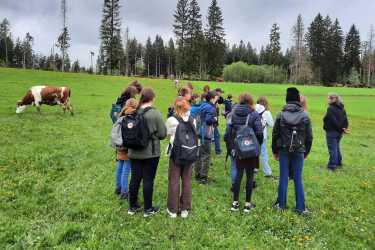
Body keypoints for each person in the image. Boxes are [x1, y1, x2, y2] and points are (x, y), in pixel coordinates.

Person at [272, 87, 313, 215]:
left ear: (287, 99)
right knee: (298, 178)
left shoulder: (280, 115)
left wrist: (275, 151)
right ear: (297, 100)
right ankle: (301, 208)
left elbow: (275, 135)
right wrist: (306, 152)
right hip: (299, 150)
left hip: (284, 150)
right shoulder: (305, 115)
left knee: (283, 177)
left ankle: (281, 205)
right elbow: (309, 137)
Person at [128, 88, 167, 217]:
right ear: (152, 98)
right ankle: (148, 209)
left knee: (134, 179)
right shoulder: (155, 114)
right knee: (148, 180)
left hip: (133, 150)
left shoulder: (133, 111)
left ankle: (132, 207)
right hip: (150, 152)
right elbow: (162, 134)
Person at [227, 93, 263, 213]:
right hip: (251, 149)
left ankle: (235, 203)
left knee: (238, 175)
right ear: (251, 101)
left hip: (238, 148)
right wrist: (257, 146)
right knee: (250, 176)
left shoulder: (233, 114)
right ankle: (247, 204)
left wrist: (233, 146)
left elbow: (229, 133)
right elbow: (259, 133)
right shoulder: (254, 114)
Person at [166, 97, 197, 218]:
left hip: (176, 153)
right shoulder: (192, 120)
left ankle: (173, 209)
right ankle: (185, 209)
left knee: (174, 180)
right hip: (190, 152)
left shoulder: (171, 120)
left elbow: (167, 135)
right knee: (187, 181)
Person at [114, 98, 138, 200]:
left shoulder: (121, 116)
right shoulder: (131, 117)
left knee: (119, 167)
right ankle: (124, 191)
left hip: (119, 146)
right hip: (127, 147)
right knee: (126, 170)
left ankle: (118, 187)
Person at [195, 91, 218, 184]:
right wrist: (214, 119)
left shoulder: (202, 105)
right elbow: (208, 120)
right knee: (206, 155)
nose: (217, 98)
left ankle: (197, 173)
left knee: (199, 154)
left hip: (198, 133)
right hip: (206, 134)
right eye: (216, 97)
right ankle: (203, 177)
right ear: (212, 98)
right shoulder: (211, 108)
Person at [323, 93, 349, 171]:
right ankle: (338, 163)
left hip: (332, 131)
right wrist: (344, 128)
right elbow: (345, 120)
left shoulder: (330, 108)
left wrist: (340, 128)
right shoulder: (342, 108)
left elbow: (333, 121)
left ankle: (332, 166)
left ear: (332, 99)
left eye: (328, 98)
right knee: (336, 147)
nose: (327, 100)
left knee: (332, 149)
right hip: (339, 132)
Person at [256, 97, 274, 178]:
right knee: (263, 153)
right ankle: (267, 172)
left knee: (253, 152)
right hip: (262, 135)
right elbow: (272, 124)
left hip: (253, 135)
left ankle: (254, 168)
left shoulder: (252, 110)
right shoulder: (267, 113)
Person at [213, 88, 224, 155]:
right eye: (220, 93)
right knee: (217, 135)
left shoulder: (215, 101)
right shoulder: (213, 103)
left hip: (214, 121)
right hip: (213, 122)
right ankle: (218, 151)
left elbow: (221, 101)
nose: (220, 94)